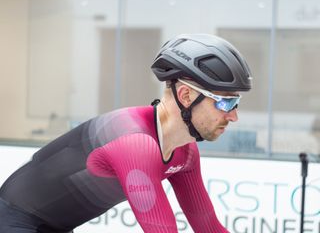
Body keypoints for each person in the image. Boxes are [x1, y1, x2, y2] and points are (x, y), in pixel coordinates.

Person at [0, 34, 252, 233]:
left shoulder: (185, 152)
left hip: (56, 224)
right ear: (186, 96)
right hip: (13, 218)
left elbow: (208, 228)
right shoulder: (134, 141)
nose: (233, 116)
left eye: (236, 104)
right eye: (225, 103)